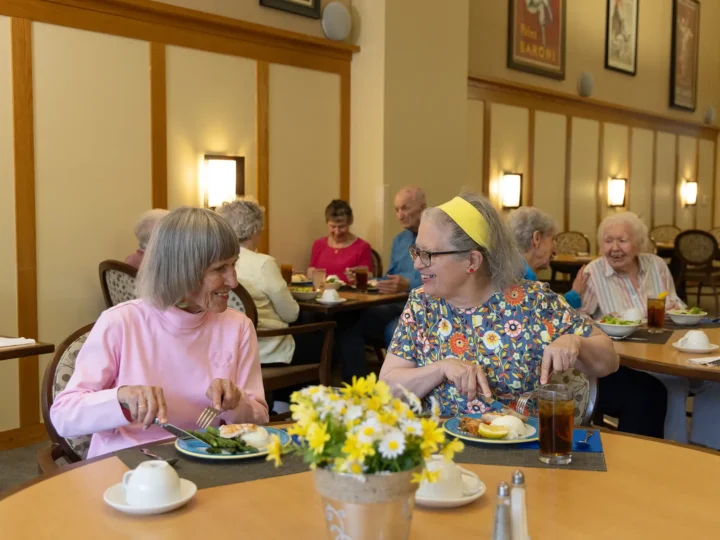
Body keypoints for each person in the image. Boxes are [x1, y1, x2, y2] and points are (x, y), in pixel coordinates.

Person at [51, 207, 269, 458]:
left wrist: (236, 403)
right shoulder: (121, 322)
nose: (233, 281)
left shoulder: (238, 326)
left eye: (233, 265)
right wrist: (120, 398)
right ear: (181, 270)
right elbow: (64, 417)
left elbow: (260, 419)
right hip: (128, 465)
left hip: (208, 461)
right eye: (220, 269)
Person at [379, 192, 619, 417]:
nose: (418, 264)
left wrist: (576, 343)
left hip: (517, 451)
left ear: (472, 260)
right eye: (416, 252)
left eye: (428, 255)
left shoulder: (532, 303)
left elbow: (609, 361)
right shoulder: (423, 304)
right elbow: (386, 390)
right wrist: (440, 369)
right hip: (440, 452)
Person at [582, 212, 720, 448]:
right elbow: (581, 318)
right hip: (628, 359)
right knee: (673, 384)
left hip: (670, 346)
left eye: (622, 241)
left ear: (638, 243)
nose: (614, 248)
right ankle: (673, 449)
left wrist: (675, 311)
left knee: (713, 382)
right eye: (607, 241)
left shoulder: (656, 265)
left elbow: (677, 305)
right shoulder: (593, 273)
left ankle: (708, 447)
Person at [337, 187, 425, 382]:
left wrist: (408, 283)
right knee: (347, 324)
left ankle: (399, 397)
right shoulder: (399, 240)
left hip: (422, 307)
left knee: (395, 330)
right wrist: (371, 281)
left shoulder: (436, 237)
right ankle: (359, 392)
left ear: (422, 208)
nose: (399, 215)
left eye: (404, 208)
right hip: (393, 304)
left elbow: (441, 275)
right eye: (396, 209)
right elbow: (390, 277)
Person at [217, 198, 299, 365]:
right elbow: (291, 313)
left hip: (229, 351)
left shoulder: (215, 262)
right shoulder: (263, 264)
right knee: (331, 338)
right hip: (268, 351)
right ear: (254, 230)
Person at [507, 206, 588, 308]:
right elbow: (551, 318)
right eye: (552, 239)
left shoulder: (509, 269)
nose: (555, 251)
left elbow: (547, 309)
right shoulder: (525, 280)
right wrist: (575, 294)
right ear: (537, 238)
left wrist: (574, 293)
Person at [308, 200, 372, 280]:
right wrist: (311, 274)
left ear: (350, 222)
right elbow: (311, 271)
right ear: (327, 223)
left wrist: (358, 277)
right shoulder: (318, 244)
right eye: (333, 226)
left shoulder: (362, 247)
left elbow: (368, 277)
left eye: (342, 227)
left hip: (350, 292)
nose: (337, 232)